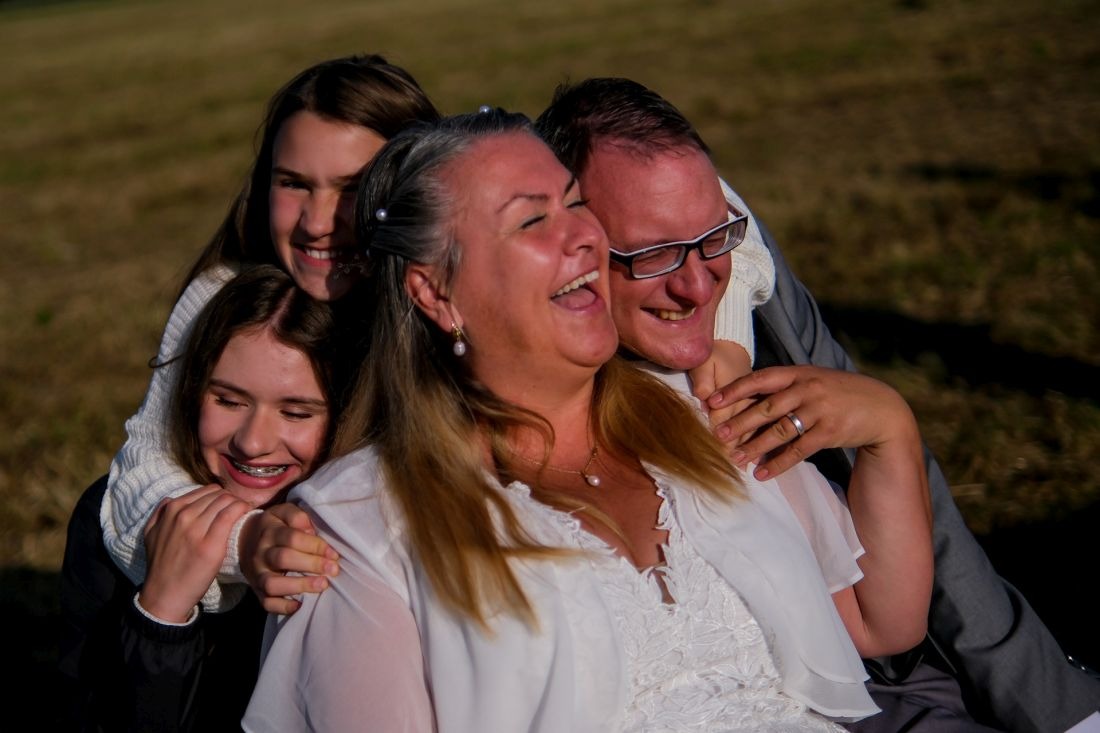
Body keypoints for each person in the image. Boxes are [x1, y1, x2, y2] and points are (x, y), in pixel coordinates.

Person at [244, 110, 934, 731]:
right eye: (531, 219)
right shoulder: (360, 529)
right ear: (434, 290)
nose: (582, 234)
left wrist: (891, 432)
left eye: (575, 202)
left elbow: (878, 620)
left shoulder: (696, 422)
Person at [533, 77, 1100, 732]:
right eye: (656, 253)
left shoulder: (721, 406)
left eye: (715, 239)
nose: (695, 283)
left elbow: (878, 621)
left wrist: (890, 427)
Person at [100, 54, 440, 610]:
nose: (317, 221)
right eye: (294, 184)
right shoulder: (223, 295)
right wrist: (247, 542)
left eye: (353, 189)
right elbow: (140, 474)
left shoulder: (441, 308)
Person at [59, 266, 361, 730]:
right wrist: (160, 615)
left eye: (296, 412)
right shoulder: (108, 522)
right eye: (227, 400)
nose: (253, 442)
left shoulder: (354, 546)